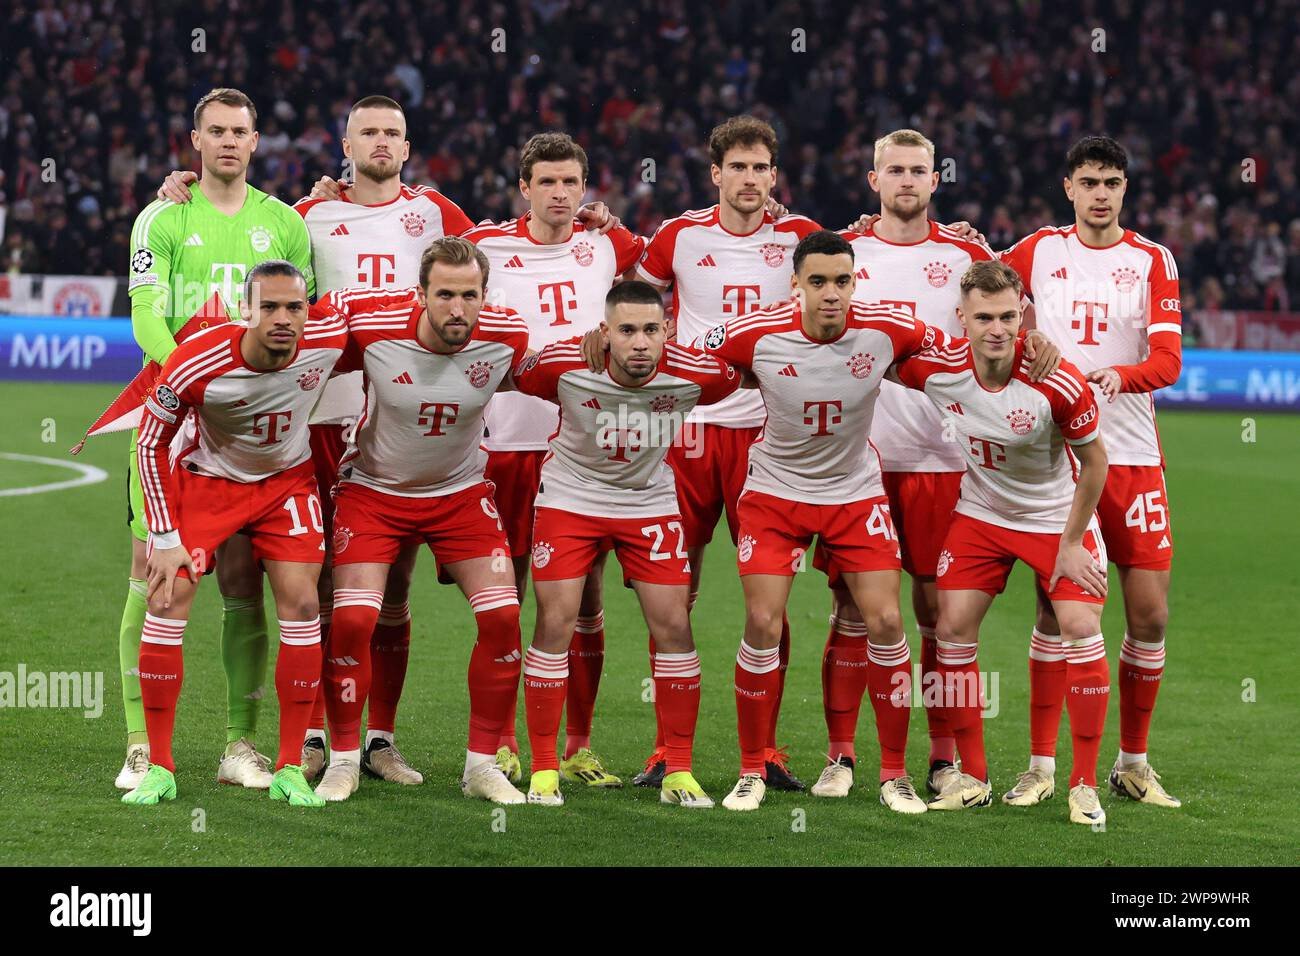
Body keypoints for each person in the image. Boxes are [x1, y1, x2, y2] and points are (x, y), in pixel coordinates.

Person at [701, 230, 949, 813]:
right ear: (796, 285)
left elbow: (951, 347)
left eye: (842, 280)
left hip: (854, 493)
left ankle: (893, 774)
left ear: (854, 281)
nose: (831, 293)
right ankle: (751, 769)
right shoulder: (755, 334)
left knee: (887, 620)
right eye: (818, 282)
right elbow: (692, 356)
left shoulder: (888, 329)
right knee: (763, 621)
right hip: (775, 494)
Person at [118, 88, 314, 793]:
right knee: (154, 577)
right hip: (176, 422)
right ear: (195, 140)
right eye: (217, 131)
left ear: (257, 141)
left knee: (242, 586)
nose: (229, 141)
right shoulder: (163, 215)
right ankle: (142, 746)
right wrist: (199, 385)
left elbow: (306, 318)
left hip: (256, 434)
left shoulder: (285, 222)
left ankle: (242, 745)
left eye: (241, 131)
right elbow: (145, 317)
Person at [632, 115, 822, 790]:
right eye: (736, 167)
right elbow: (631, 291)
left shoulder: (800, 238)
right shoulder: (680, 236)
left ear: (774, 174)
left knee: (768, 602)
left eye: (760, 167)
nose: (749, 179)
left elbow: (859, 263)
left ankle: (766, 751)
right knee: (669, 593)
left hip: (771, 440)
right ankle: (665, 749)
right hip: (685, 433)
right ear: (716, 174)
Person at [811, 128, 998, 799]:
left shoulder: (968, 255)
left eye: (919, 170)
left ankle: (943, 758)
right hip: (859, 459)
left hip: (945, 459)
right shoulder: (845, 253)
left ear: (935, 180)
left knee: (940, 613)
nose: (907, 181)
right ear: (874, 180)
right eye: (895, 170)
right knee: (851, 608)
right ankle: (840, 757)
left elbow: (1004, 325)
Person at [891, 260, 1112, 826]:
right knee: (951, 626)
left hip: (1055, 518)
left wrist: (1070, 545)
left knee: (1081, 628)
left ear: (1024, 316)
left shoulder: (1056, 382)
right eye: (983, 317)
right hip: (982, 513)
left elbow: (1094, 464)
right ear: (961, 318)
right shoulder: (935, 369)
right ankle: (974, 776)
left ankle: (1078, 782)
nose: (997, 328)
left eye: (1009, 317)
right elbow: (877, 343)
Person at [312, 237, 530, 804]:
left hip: (460, 494)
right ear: (421, 294)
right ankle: (341, 760)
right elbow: (299, 355)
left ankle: (481, 766)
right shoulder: (373, 326)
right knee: (354, 621)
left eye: (470, 295)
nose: (458, 309)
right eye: (445, 295)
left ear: (485, 295)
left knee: (504, 617)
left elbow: (554, 372)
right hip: (374, 493)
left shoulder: (508, 337)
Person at [999, 136, 1182, 809]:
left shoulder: (1152, 261)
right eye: (1089, 182)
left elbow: (1168, 361)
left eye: (1112, 182)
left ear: (1125, 188)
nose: (1101, 193)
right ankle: (1041, 767)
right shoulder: (1036, 251)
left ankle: (1132, 762)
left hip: (1132, 458)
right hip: (1060, 460)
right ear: (1068, 187)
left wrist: (1119, 374)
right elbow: (984, 296)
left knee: (1151, 615)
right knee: (1056, 615)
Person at [511, 281, 744, 808]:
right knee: (555, 622)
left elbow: (746, 367)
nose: (640, 343)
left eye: (651, 330)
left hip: (648, 502)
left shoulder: (698, 375)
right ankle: (545, 770)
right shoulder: (565, 365)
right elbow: (515, 369)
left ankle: (679, 771)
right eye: (627, 331)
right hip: (570, 498)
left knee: (675, 628)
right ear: (606, 333)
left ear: (667, 331)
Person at [121, 261, 342, 808]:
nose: (284, 319)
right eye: (269, 307)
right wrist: (166, 536)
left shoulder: (331, 336)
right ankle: (160, 766)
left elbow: (406, 312)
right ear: (244, 310)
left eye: (294, 307)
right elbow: (150, 442)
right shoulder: (197, 359)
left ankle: (291, 767)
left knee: (301, 603)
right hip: (209, 483)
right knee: (166, 596)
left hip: (286, 484)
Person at [464, 132, 646, 789]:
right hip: (508, 439)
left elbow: (669, 271)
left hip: (582, 445)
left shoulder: (605, 246)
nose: (562, 194)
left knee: (584, 598)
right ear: (525, 187)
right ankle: (505, 743)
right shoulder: (486, 247)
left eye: (573, 182)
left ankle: (578, 744)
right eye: (548, 182)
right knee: (506, 595)